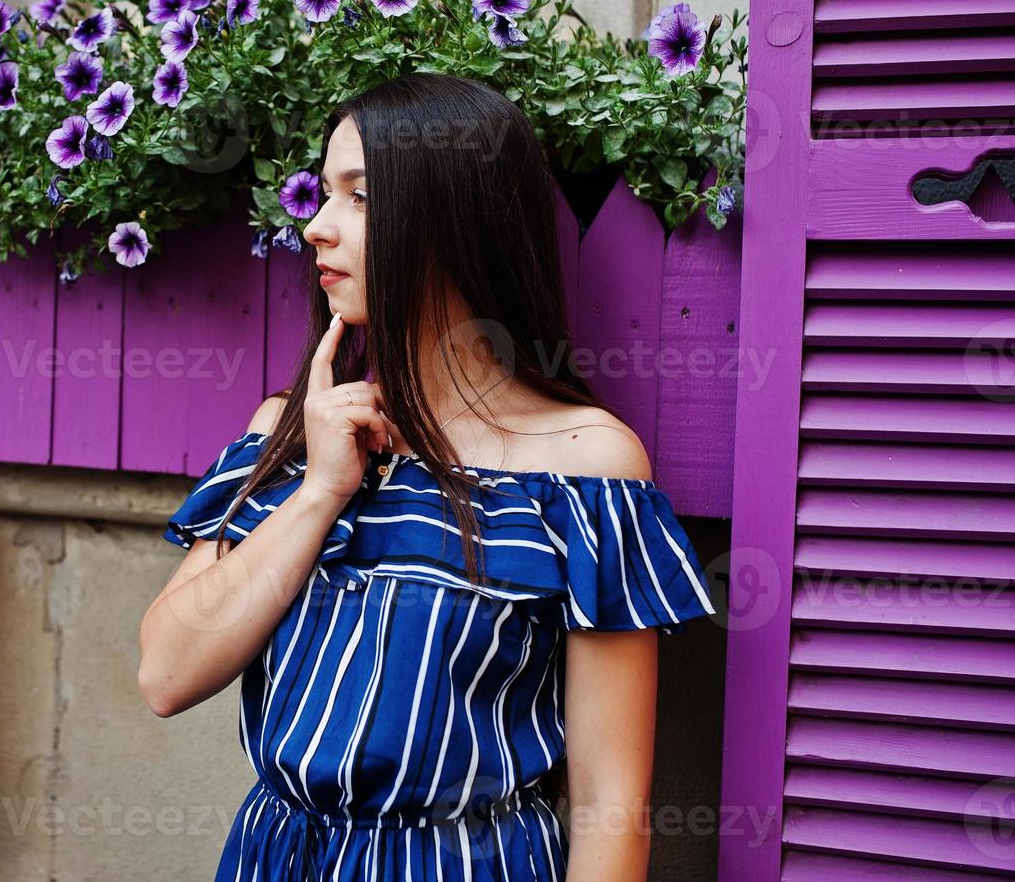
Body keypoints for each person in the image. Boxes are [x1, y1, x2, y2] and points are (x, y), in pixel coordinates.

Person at [138, 71, 717, 880]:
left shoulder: (584, 472)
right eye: (322, 193)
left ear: (455, 224)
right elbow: (165, 674)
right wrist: (318, 493)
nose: (314, 227)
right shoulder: (289, 434)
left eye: (359, 197)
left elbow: (609, 803)